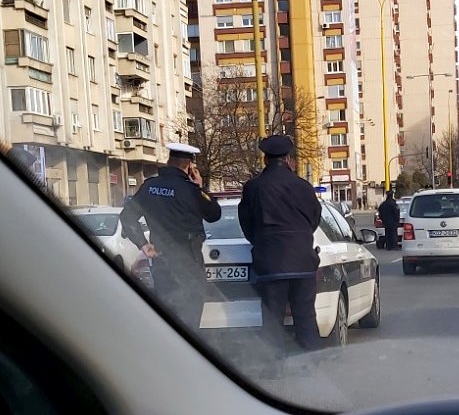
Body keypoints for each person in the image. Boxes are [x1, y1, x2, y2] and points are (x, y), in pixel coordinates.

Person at [120, 143, 221, 330]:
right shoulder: (191, 190)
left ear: (169, 161)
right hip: (188, 257)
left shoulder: (149, 187)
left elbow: (127, 217)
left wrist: (143, 244)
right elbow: (214, 214)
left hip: (161, 257)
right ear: (189, 166)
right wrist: (200, 188)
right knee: (190, 311)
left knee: (167, 309)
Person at [238, 135, 322, 354]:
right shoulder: (304, 187)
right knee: (305, 315)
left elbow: (246, 222)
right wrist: (300, 239)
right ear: (288, 159)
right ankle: (312, 363)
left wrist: (262, 242)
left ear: (265, 159)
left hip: (271, 262)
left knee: (272, 319)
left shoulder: (254, 187)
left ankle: (274, 368)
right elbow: (314, 219)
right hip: (303, 261)